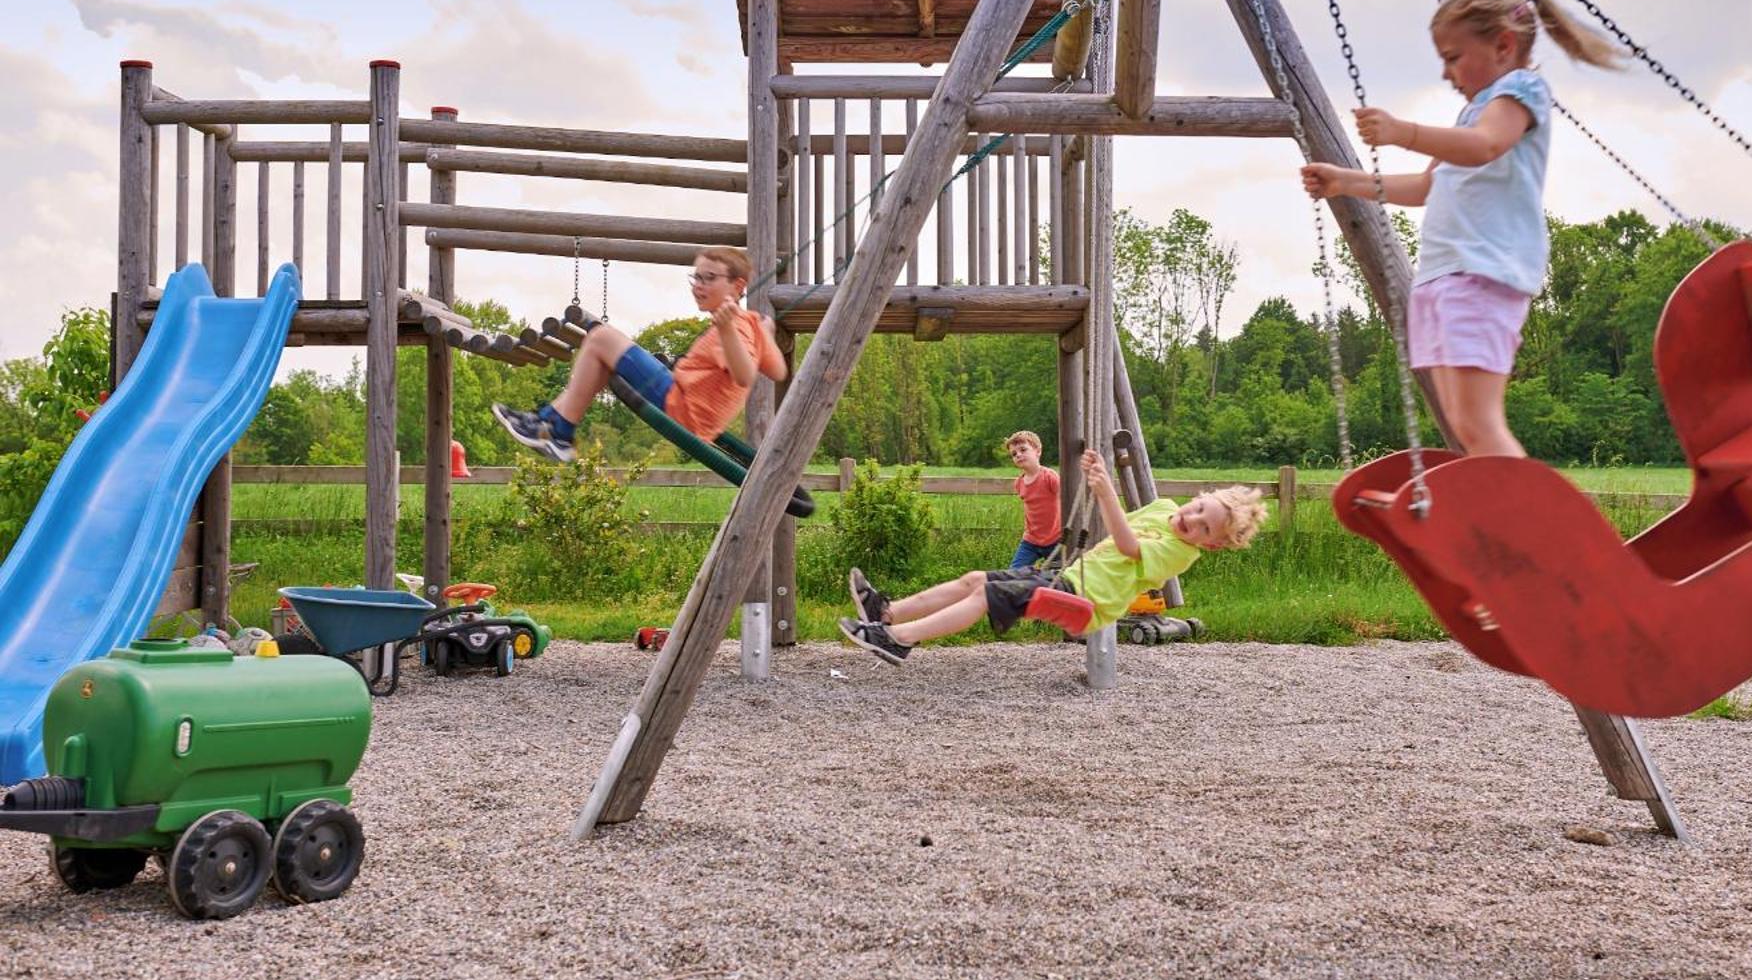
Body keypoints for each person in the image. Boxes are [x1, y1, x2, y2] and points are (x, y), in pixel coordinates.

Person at [1299, 0, 1622, 457]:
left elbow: (1485, 147)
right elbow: (1428, 187)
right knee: (1464, 427)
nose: (1447, 74)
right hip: (1443, 279)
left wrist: (1401, 131)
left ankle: (1531, 527)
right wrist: (1346, 182)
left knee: (1478, 423)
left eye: (1453, 57)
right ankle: (1498, 521)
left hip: (1482, 273)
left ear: (1503, 45)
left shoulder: (1521, 89)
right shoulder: (1472, 114)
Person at [839, 449, 1264, 666]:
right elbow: (1120, 531)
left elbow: (1129, 546)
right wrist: (1098, 479)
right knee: (974, 578)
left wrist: (1105, 492)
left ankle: (896, 641)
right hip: (1067, 576)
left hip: (1085, 602)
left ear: (1210, 544)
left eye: (1205, 528)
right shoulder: (1164, 509)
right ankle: (887, 613)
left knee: (986, 595)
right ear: (1197, 498)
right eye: (1198, 510)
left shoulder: (1179, 553)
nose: (1192, 521)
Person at [492, 246, 786, 461]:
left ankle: (558, 431)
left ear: (737, 286)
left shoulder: (733, 325)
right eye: (695, 278)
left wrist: (726, 331)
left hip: (683, 407)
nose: (698, 286)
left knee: (600, 337)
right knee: (602, 357)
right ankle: (550, 423)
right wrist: (767, 332)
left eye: (709, 278)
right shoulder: (750, 323)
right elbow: (777, 371)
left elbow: (745, 375)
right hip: (688, 403)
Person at [1004, 430, 1062, 569]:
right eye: (1014, 454)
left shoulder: (1049, 477)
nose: (1018, 454)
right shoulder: (1019, 483)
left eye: (1023, 450)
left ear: (1038, 451)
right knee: (1014, 572)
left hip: (1055, 539)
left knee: (1059, 576)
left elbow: (1066, 500)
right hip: (1031, 540)